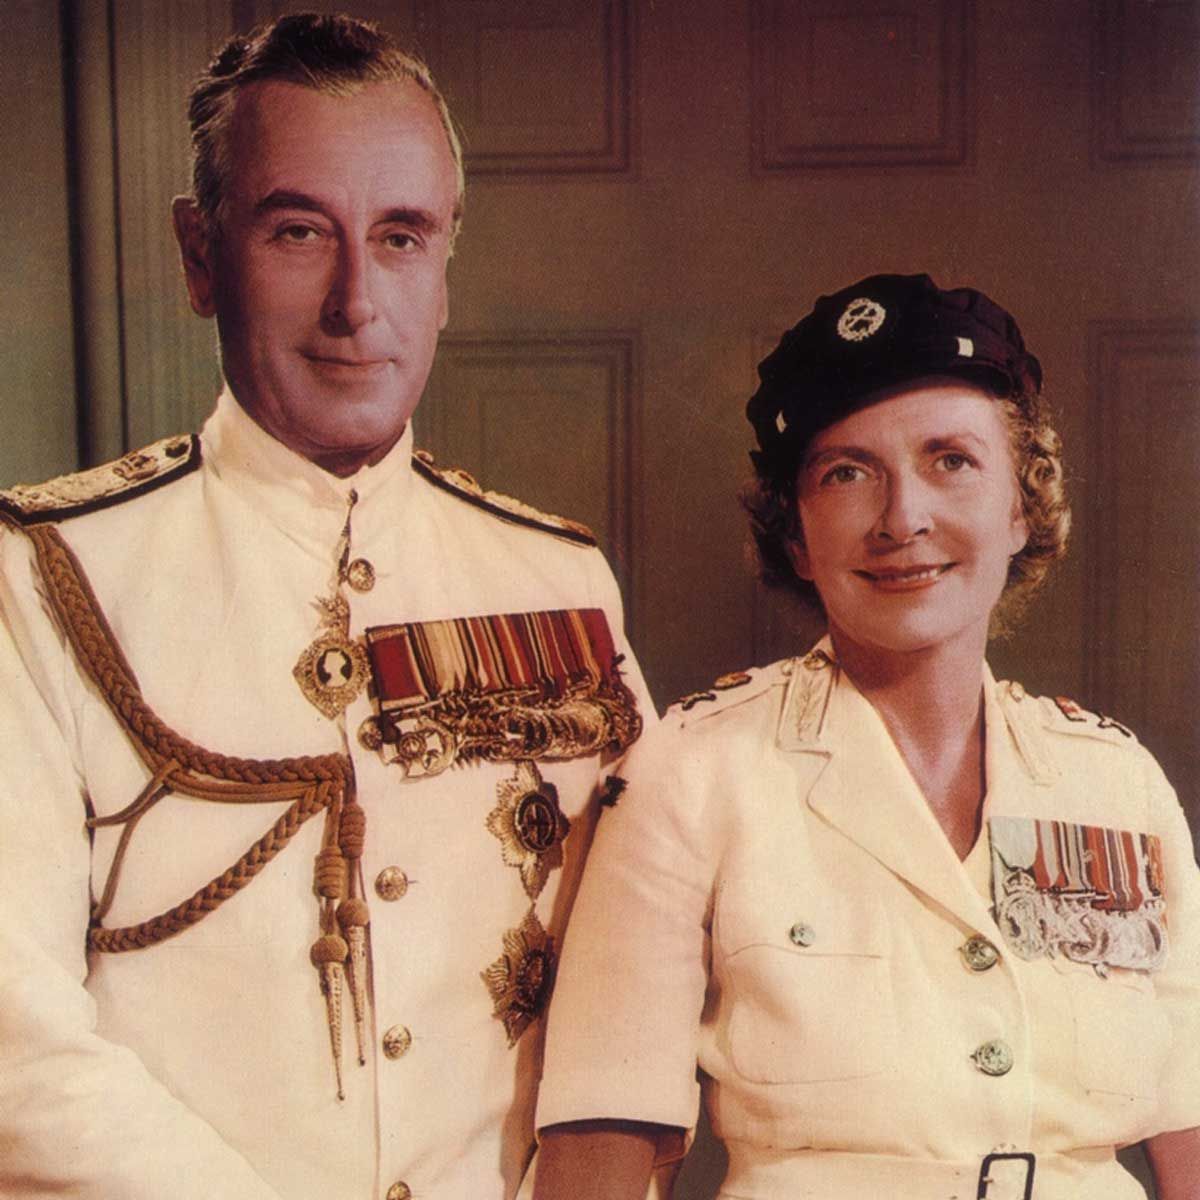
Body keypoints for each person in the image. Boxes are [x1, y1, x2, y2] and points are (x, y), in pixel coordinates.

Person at [0, 13, 651, 1200]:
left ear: (444, 269)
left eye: (400, 237)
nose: (358, 301)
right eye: (298, 231)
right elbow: (15, 1047)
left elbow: (646, 985)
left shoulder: (557, 580)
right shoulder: (44, 579)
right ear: (200, 254)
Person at [532, 273, 1200, 1200]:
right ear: (795, 536)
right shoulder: (694, 773)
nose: (902, 519)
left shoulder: (1117, 783)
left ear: (1020, 508)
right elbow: (599, 1149)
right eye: (846, 473)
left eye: (951, 460)